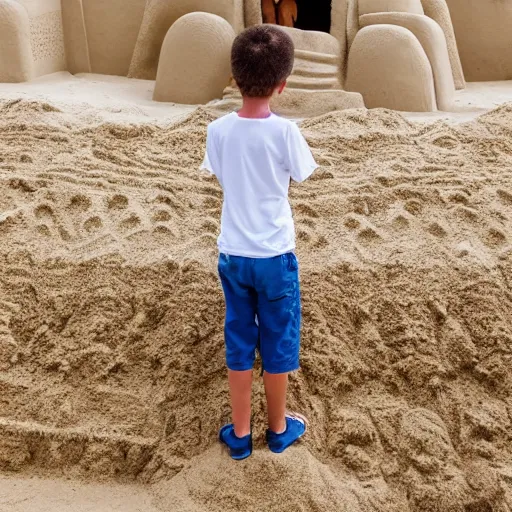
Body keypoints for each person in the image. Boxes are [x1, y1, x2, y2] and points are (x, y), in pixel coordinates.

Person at [201, 25, 318, 460]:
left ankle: (241, 434)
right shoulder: (285, 132)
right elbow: (301, 175)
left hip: (234, 254)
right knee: (277, 341)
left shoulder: (218, 131)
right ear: (282, 84)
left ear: (234, 77)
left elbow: (218, 173)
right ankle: (279, 428)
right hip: (275, 255)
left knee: (239, 338)